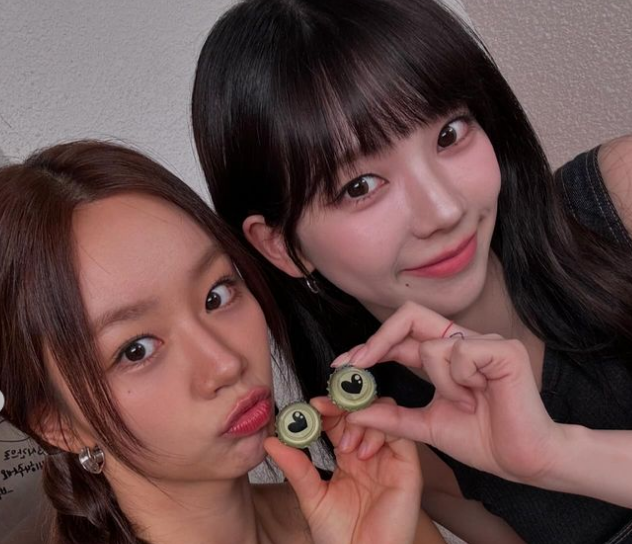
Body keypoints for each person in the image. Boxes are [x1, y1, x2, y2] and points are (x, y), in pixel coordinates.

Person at [190, 0, 632, 542]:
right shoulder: (399, 439)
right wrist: (543, 460)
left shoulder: (621, 197)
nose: (443, 211)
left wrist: (564, 454)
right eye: (360, 187)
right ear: (281, 247)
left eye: (449, 134)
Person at [0, 140, 446, 544]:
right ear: (58, 424)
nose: (226, 363)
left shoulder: (364, 514)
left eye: (217, 295)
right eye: (136, 350)